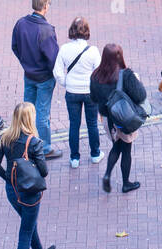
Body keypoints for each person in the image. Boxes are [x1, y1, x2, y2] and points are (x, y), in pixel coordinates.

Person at [0, 102, 54, 249]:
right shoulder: (34, 142)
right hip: (29, 194)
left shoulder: (5, 138)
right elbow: (44, 171)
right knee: (25, 233)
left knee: (28, 222)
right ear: (29, 119)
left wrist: (11, 180)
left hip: (12, 192)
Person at [11, 0, 66, 161]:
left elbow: (15, 46)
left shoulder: (20, 23)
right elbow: (53, 58)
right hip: (44, 78)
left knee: (27, 110)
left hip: (29, 74)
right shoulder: (46, 30)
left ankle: (25, 143)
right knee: (42, 114)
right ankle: (45, 148)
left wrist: (25, 62)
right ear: (46, 6)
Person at [89, 43, 146, 194]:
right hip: (125, 119)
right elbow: (141, 96)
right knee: (125, 150)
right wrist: (137, 80)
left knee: (117, 145)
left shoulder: (95, 75)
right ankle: (126, 183)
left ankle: (108, 174)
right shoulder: (126, 75)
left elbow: (93, 98)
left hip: (108, 120)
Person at [54, 16, 101, 167]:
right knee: (92, 124)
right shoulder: (93, 51)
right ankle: (95, 154)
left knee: (74, 125)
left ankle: (74, 158)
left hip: (72, 92)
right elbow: (99, 73)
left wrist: (66, 83)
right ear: (87, 31)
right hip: (89, 92)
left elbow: (57, 72)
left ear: (72, 31)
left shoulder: (64, 49)